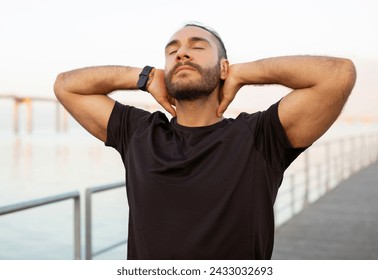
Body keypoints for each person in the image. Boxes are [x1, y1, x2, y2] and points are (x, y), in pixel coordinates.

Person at [54, 23, 356, 260]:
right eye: (172, 51)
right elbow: (66, 86)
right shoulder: (139, 132)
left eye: (197, 47)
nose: (182, 54)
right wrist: (144, 77)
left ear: (223, 66)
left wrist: (243, 73)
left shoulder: (260, 136)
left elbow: (338, 75)